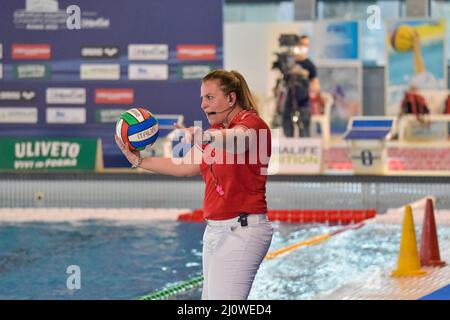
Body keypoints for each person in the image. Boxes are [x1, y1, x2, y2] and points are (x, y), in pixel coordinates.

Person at [115, 69, 273, 300]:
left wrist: (205, 137)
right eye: (202, 98)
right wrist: (138, 160)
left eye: (209, 97)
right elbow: (183, 165)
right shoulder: (215, 131)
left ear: (231, 98)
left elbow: (238, 140)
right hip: (215, 231)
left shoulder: (252, 126)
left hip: (243, 231)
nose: (202, 105)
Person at [282, 34, 321, 137]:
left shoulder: (310, 65)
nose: (303, 47)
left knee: (304, 127)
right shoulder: (288, 63)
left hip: (303, 101)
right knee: (286, 121)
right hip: (289, 101)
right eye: (302, 44)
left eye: (306, 45)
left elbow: (316, 87)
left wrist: (304, 75)